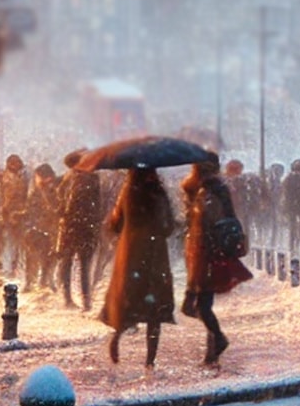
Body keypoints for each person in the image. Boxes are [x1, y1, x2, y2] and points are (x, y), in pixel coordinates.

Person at [100, 167, 177, 368]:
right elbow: (168, 226)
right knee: (155, 309)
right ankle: (150, 360)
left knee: (128, 298)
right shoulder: (158, 193)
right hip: (155, 255)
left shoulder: (128, 191)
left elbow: (115, 225)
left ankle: (117, 335)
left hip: (131, 253)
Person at [182, 155, 252, 365]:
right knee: (197, 305)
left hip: (208, 254)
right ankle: (213, 346)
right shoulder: (207, 189)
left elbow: (208, 221)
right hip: (202, 254)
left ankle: (217, 340)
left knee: (200, 305)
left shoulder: (211, 190)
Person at [55, 149, 102, 311]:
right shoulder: (84, 178)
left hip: (76, 226)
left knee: (76, 263)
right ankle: (77, 300)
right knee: (78, 263)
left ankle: (77, 299)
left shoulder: (72, 178)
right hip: (79, 226)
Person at [22, 163, 60, 293]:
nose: (36, 179)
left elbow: (57, 208)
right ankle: (31, 281)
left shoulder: (56, 188)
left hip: (50, 227)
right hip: (38, 227)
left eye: (38, 176)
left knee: (48, 256)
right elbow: (30, 208)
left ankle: (46, 280)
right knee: (33, 255)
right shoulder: (37, 191)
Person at [0, 154, 29, 278]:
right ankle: (8, 268)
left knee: (19, 243)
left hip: (21, 214)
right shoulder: (3, 177)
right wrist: (2, 212)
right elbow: (1, 196)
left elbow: (27, 195)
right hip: (8, 213)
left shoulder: (25, 176)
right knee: (9, 241)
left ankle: (15, 268)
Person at [281, 158, 300, 256]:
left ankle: (294, 247)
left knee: (294, 228)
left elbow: (285, 194)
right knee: (299, 228)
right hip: (297, 206)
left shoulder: (289, 179)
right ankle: (298, 246)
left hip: (294, 206)